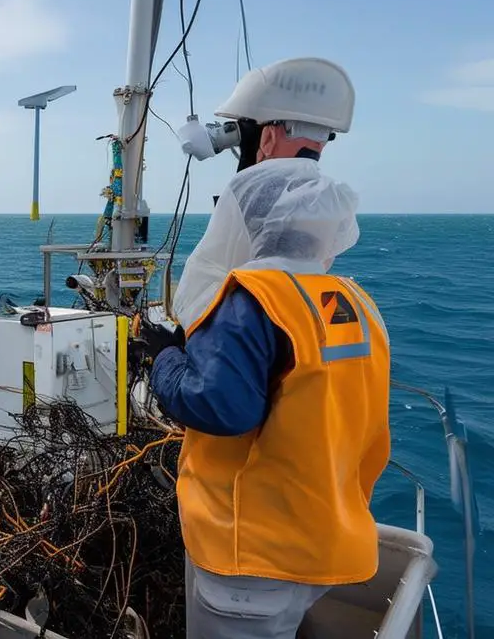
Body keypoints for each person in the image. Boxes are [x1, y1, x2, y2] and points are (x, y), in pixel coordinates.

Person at [140, 57, 391, 639]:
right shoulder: (353, 302)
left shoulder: (257, 296)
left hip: (251, 558)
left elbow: (222, 407)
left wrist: (163, 359)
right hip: (325, 543)